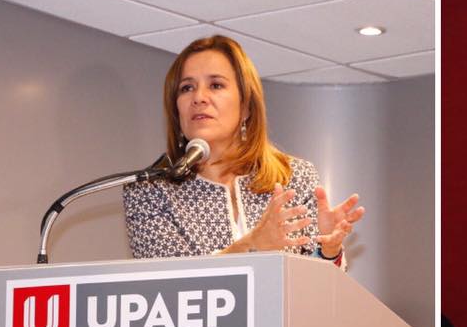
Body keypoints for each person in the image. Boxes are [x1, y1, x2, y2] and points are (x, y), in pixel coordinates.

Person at [123, 35, 364, 260]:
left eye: (216, 85)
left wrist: (328, 250)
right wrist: (253, 244)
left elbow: (312, 283)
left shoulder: (294, 177)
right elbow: (170, 283)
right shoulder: (149, 191)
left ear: (246, 105)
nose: (199, 97)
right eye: (187, 88)